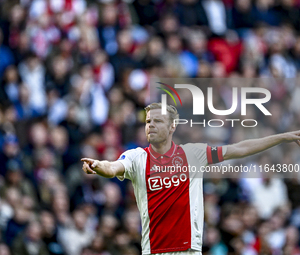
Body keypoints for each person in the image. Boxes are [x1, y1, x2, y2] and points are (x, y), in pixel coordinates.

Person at [81, 103, 300, 255]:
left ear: (172, 126)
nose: (151, 125)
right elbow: (113, 167)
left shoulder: (193, 154)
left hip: (189, 248)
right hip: (154, 249)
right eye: (148, 121)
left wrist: (282, 137)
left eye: (158, 121)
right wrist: (99, 166)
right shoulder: (137, 157)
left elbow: (239, 149)